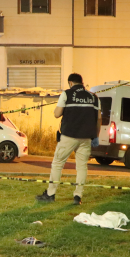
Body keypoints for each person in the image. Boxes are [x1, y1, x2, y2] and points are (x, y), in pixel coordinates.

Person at [36, 73, 100, 205]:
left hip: (69, 136)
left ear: (70, 83)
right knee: (82, 167)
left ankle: (50, 194)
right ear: (82, 83)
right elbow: (98, 119)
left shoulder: (67, 94)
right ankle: (78, 197)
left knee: (58, 164)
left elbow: (57, 114)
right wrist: (96, 135)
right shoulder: (94, 97)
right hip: (86, 137)